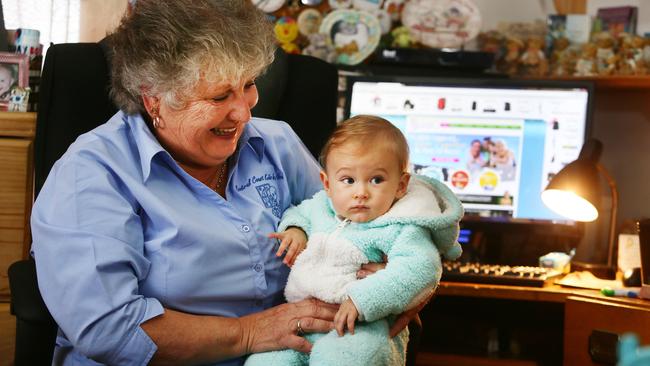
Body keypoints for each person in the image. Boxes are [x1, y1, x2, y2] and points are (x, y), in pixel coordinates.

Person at [31, 1, 354, 365]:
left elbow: (355, 223)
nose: (244, 112)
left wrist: (385, 281)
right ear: (154, 99)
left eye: (248, 84)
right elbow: (109, 327)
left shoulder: (277, 143)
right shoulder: (93, 172)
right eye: (219, 96)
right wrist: (252, 332)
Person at [245, 115, 463, 365]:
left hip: (364, 326)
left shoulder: (402, 226)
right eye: (348, 180)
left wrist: (362, 300)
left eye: (376, 180)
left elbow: (420, 269)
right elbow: (299, 212)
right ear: (327, 184)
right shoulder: (321, 206)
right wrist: (296, 230)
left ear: (401, 185)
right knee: (265, 362)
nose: (361, 193)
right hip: (304, 325)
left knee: (344, 360)